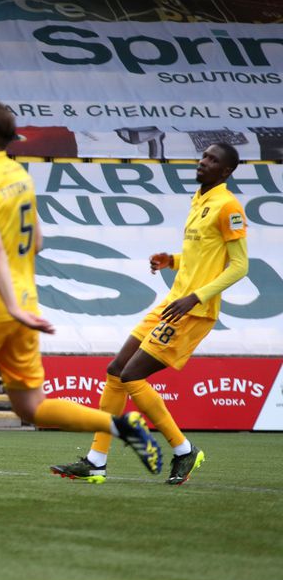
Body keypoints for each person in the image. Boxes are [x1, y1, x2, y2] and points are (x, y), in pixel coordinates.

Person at [0, 101, 162, 523]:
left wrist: (9, 304)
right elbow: (36, 240)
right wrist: (19, 302)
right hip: (26, 302)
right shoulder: (19, 176)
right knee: (30, 406)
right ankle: (122, 427)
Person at [51, 143, 248, 486]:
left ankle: (183, 448)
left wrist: (195, 297)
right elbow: (204, 257)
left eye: (213, 160)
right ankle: (96, 461)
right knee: (115, 371)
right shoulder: (199, 200)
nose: (204, 162)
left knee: (131, 376)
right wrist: (171, 260)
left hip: (193, 310)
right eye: (204, 156)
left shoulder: (228, 206)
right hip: (172, 301)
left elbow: (240, 267)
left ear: (226, 171)